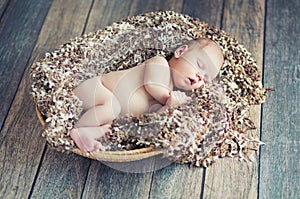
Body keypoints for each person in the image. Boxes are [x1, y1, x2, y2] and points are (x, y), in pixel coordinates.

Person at [70, 38, 224, 154]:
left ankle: (88, 132)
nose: (198, 77)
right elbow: (152, 85)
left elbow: (153, 119)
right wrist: (171, 101)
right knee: (112, 107)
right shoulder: (160, 63)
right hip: (97, 89)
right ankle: (78, 129)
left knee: (115, 127)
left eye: (204, 79)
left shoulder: (171, 91)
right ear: (180, 52)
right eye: (199, 65)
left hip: (110, 112)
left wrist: (168, 108)